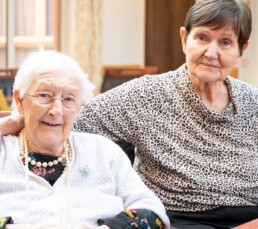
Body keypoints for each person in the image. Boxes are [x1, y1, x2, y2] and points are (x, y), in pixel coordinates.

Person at [0, 0, 257, 228]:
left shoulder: (253, 102)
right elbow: (67, 115)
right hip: (183, 219)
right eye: (202, 38)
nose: (211, 52)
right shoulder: (145, 95)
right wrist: (18, 119)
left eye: (225, 42)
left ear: (241, 49)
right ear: (184, 38)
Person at [0, 51, 170, 229]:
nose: (56, 110)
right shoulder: (4, 150)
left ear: (79, 108)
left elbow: (151, 211)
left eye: (69, 99)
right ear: (20, 100)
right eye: (44, 95)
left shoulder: (102, 151)